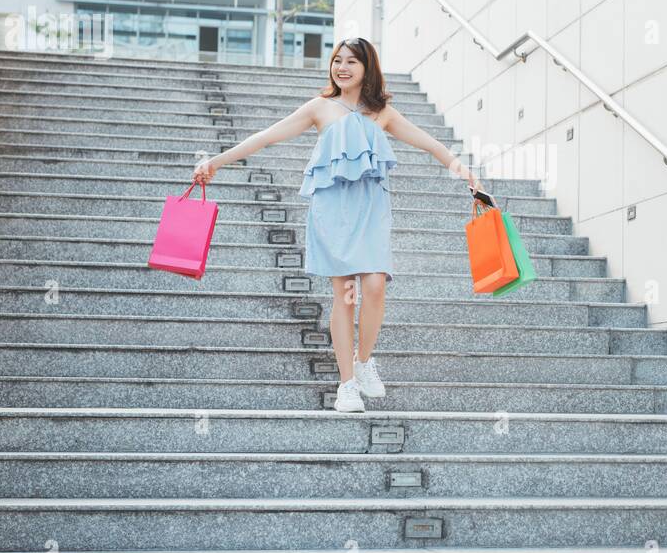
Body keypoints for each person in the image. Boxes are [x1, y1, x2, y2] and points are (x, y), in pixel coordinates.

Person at [192, 37, 482, 412]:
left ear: (367, 68)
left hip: (370, 209)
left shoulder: (383, 113)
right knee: (345, 294)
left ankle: (364, 361)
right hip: (332, 210)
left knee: (375, 285)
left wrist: (468, 175)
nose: (342, 67)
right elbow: (266, 137)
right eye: (337, 60)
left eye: (351, 62)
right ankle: (347, 384)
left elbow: (431, 144)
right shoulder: (320, 108)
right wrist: (215, 162)